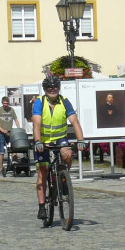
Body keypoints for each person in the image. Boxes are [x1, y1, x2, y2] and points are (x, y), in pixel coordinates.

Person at [32, 76, 85, 220]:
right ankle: (42, 206)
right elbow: (36, 124)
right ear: (45, 89)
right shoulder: (39, 102)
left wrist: (80, 140)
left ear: (58, 88)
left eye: (55, 87)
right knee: (43, 172)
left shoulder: (64, 101)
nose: (52, 89)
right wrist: (37, 141)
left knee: (67, 154)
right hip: (42, 141)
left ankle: (63, 179)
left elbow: (74, 121)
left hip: (60, 138)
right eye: (49, 87)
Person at [0, 96, 20, 172]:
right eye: (4, 103)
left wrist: (19, 128)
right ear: (2, 103)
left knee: (13, 149)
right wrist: (2, 130)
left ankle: (15, 164)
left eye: (7, 103)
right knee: (2, 150)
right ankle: (1, 167)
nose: (6, 105)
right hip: (1, 133)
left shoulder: (11, 110)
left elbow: (15, 119)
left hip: (10, 132)